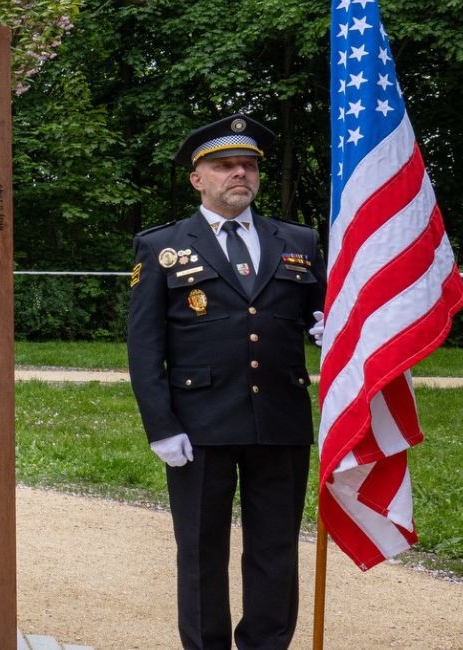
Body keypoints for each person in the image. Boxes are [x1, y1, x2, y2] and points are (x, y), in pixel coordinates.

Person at [127, 114, 324, 650]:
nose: (239, 173)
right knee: (199, 549)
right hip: (199, 424)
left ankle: (266, 644)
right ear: (198, 178)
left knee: (276, 548)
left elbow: (321, 316)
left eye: (248, 165)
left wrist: (337, 329)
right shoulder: (163, 245)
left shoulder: (299, 239)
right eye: (224, 165)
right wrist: (161, 426)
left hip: (280, 419)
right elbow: (145, 348)